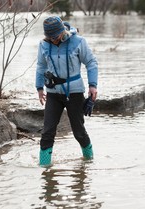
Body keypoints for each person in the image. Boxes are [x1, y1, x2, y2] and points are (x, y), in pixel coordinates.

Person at [35, 16, 98, 167]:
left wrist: (92, 85)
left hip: (74, 93)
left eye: (56, 37)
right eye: (50, 37)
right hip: (53, 93)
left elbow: (91, 62)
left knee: (79, 132)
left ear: (62, 31)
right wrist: (39, 87)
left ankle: (89, 163)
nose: (54, 40)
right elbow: (41, 66)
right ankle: (45, 170)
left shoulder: (78, 42)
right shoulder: (44, 44)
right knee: (47, 132)